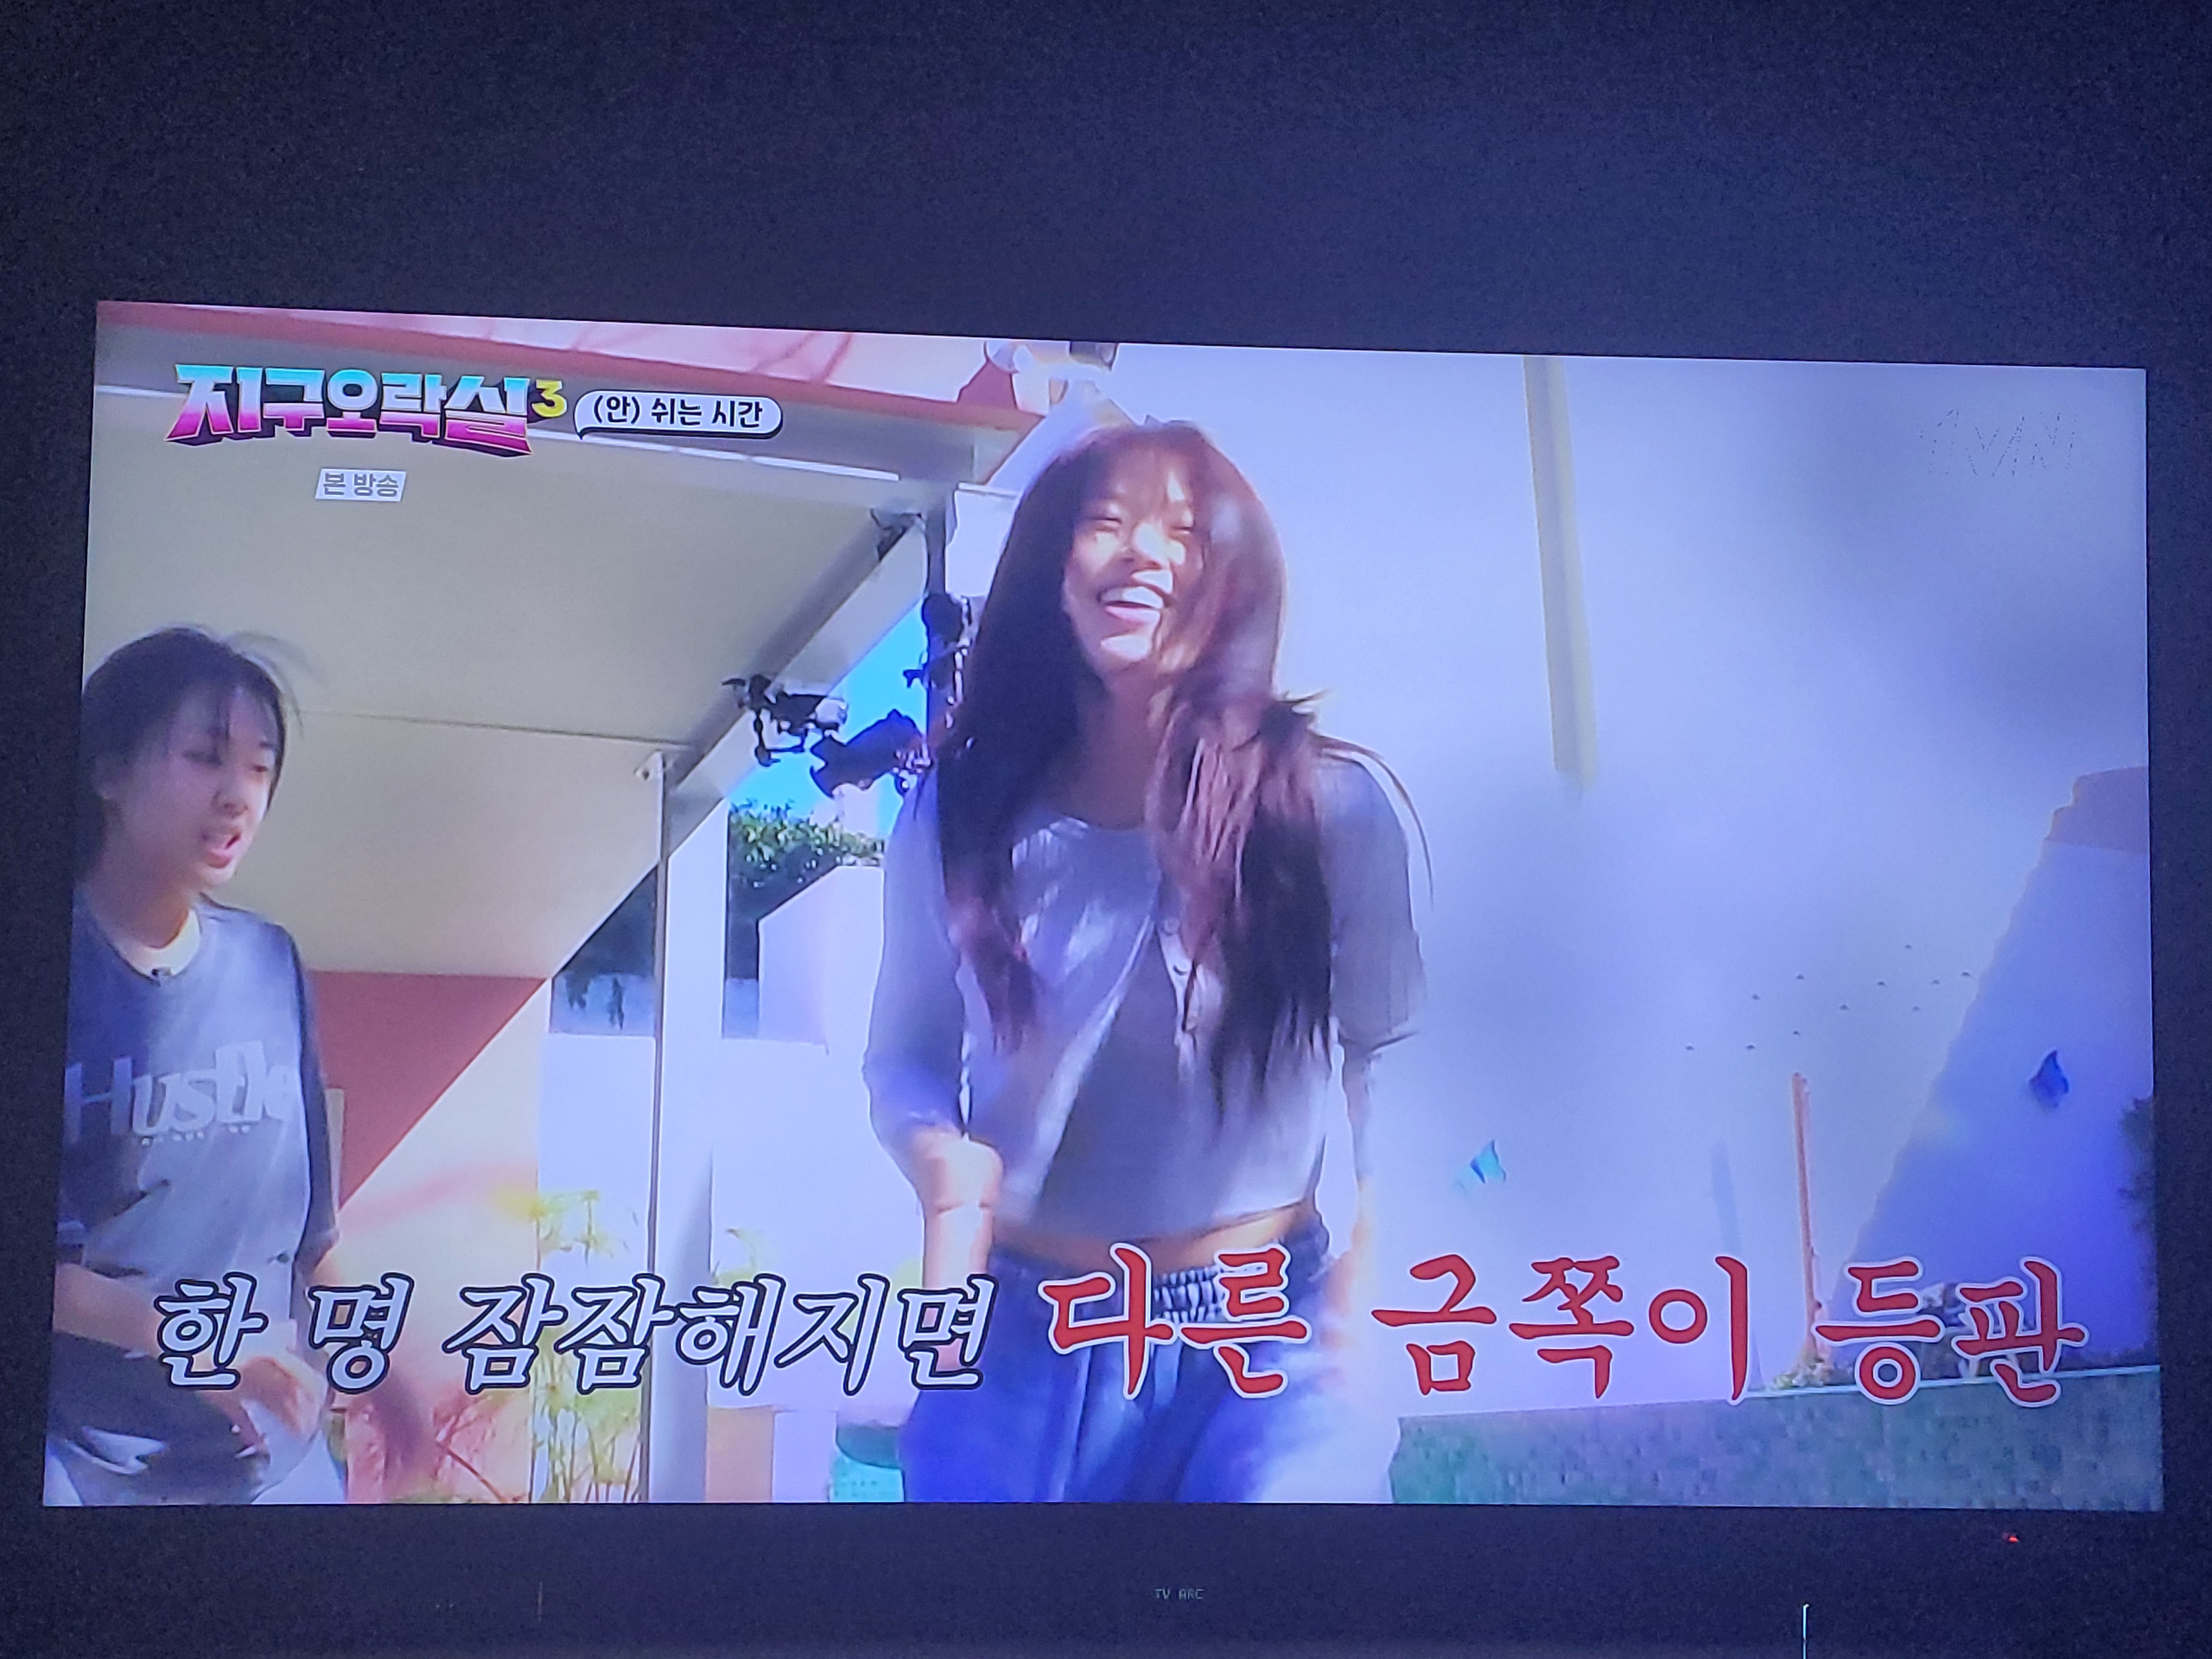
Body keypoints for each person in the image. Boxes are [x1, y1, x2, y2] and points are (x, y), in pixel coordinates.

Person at [865, 421, 1422, 1501]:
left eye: (1184, 533)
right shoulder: (956, 811)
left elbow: (1391, 1044)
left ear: (1235, 578)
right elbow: (904, 1056)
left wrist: (1377, 1249)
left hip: (1273, 1334)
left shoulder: (1328, 806)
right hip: (1019, 1337)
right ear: (1051, 572)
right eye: (1105, 524)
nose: (1141, 556)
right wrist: (940, 1163)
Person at [48, 629, 338, 1504]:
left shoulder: (270, 962)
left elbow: (315, 1235)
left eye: (260, 767)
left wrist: (382, 1368)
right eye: (206, 758)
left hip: (276, 1464)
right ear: (108, 772)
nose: (238, 796)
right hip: (85, 1466)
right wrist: (195, 1340)